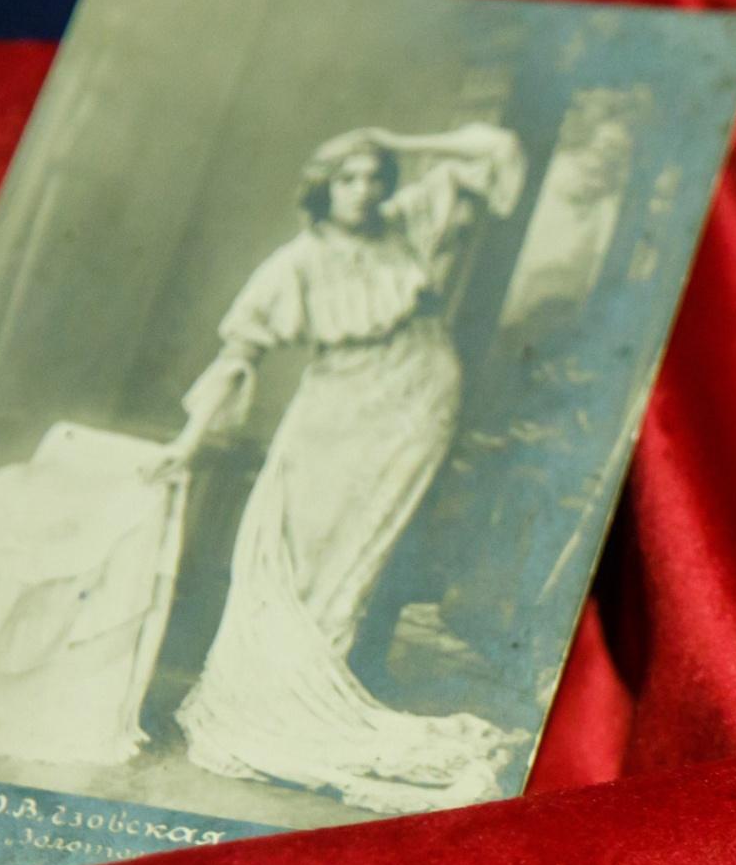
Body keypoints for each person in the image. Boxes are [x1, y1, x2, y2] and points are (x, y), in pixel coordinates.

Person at [143, 121, 531, 814]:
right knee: (299, 551)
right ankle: (274, 698)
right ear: (324, 187)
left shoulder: (408, 224)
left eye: (376, 177)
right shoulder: (297, 262)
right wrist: (188, 441)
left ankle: (311, 689)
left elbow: (500, 153)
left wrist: (398, 140)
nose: (365, 190)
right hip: (336, 408)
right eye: (349, 178)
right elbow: (238, 353)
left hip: (416, 398)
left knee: (358, 557)